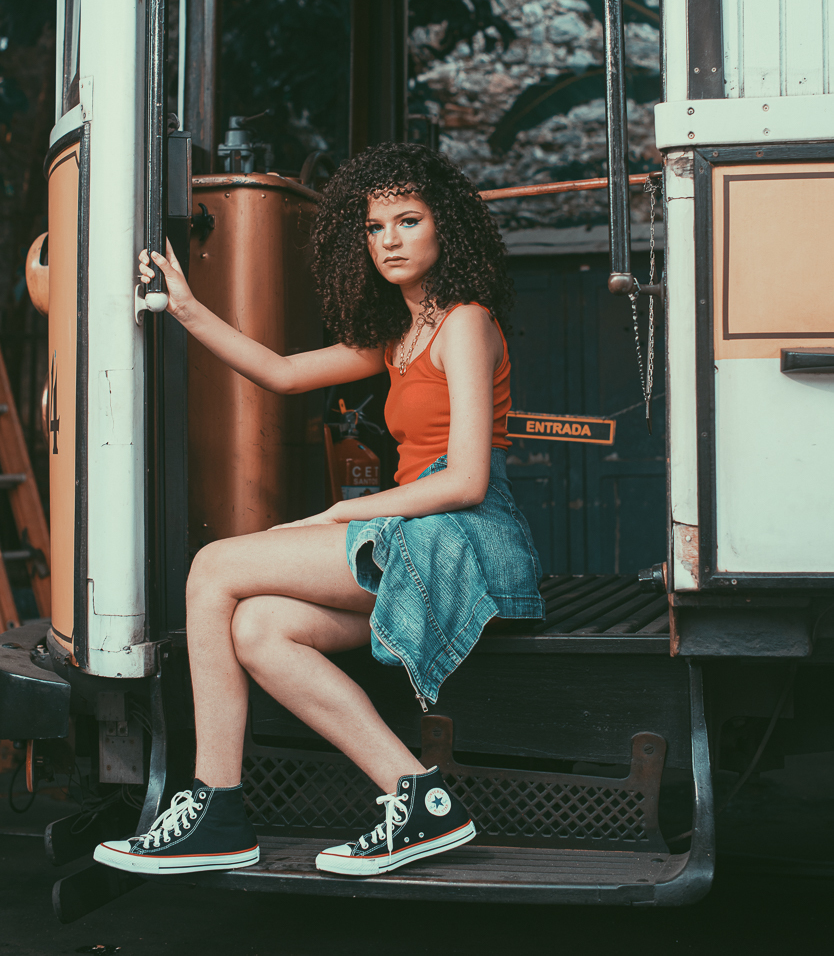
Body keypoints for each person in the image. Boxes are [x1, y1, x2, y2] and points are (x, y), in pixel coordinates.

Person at [95, 143, 544, 878]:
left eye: (408, 220)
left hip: (462, 535)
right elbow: (281, 373)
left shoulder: (465, 320)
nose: (390, 240)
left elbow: (465, 478)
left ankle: (215, 806)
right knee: (258, 624)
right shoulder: (400, 336)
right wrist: (186, 307)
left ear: (446, 230)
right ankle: (419, 797)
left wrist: (340, 513)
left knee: (214, 567)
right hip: (415, 529)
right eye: (375, 228)